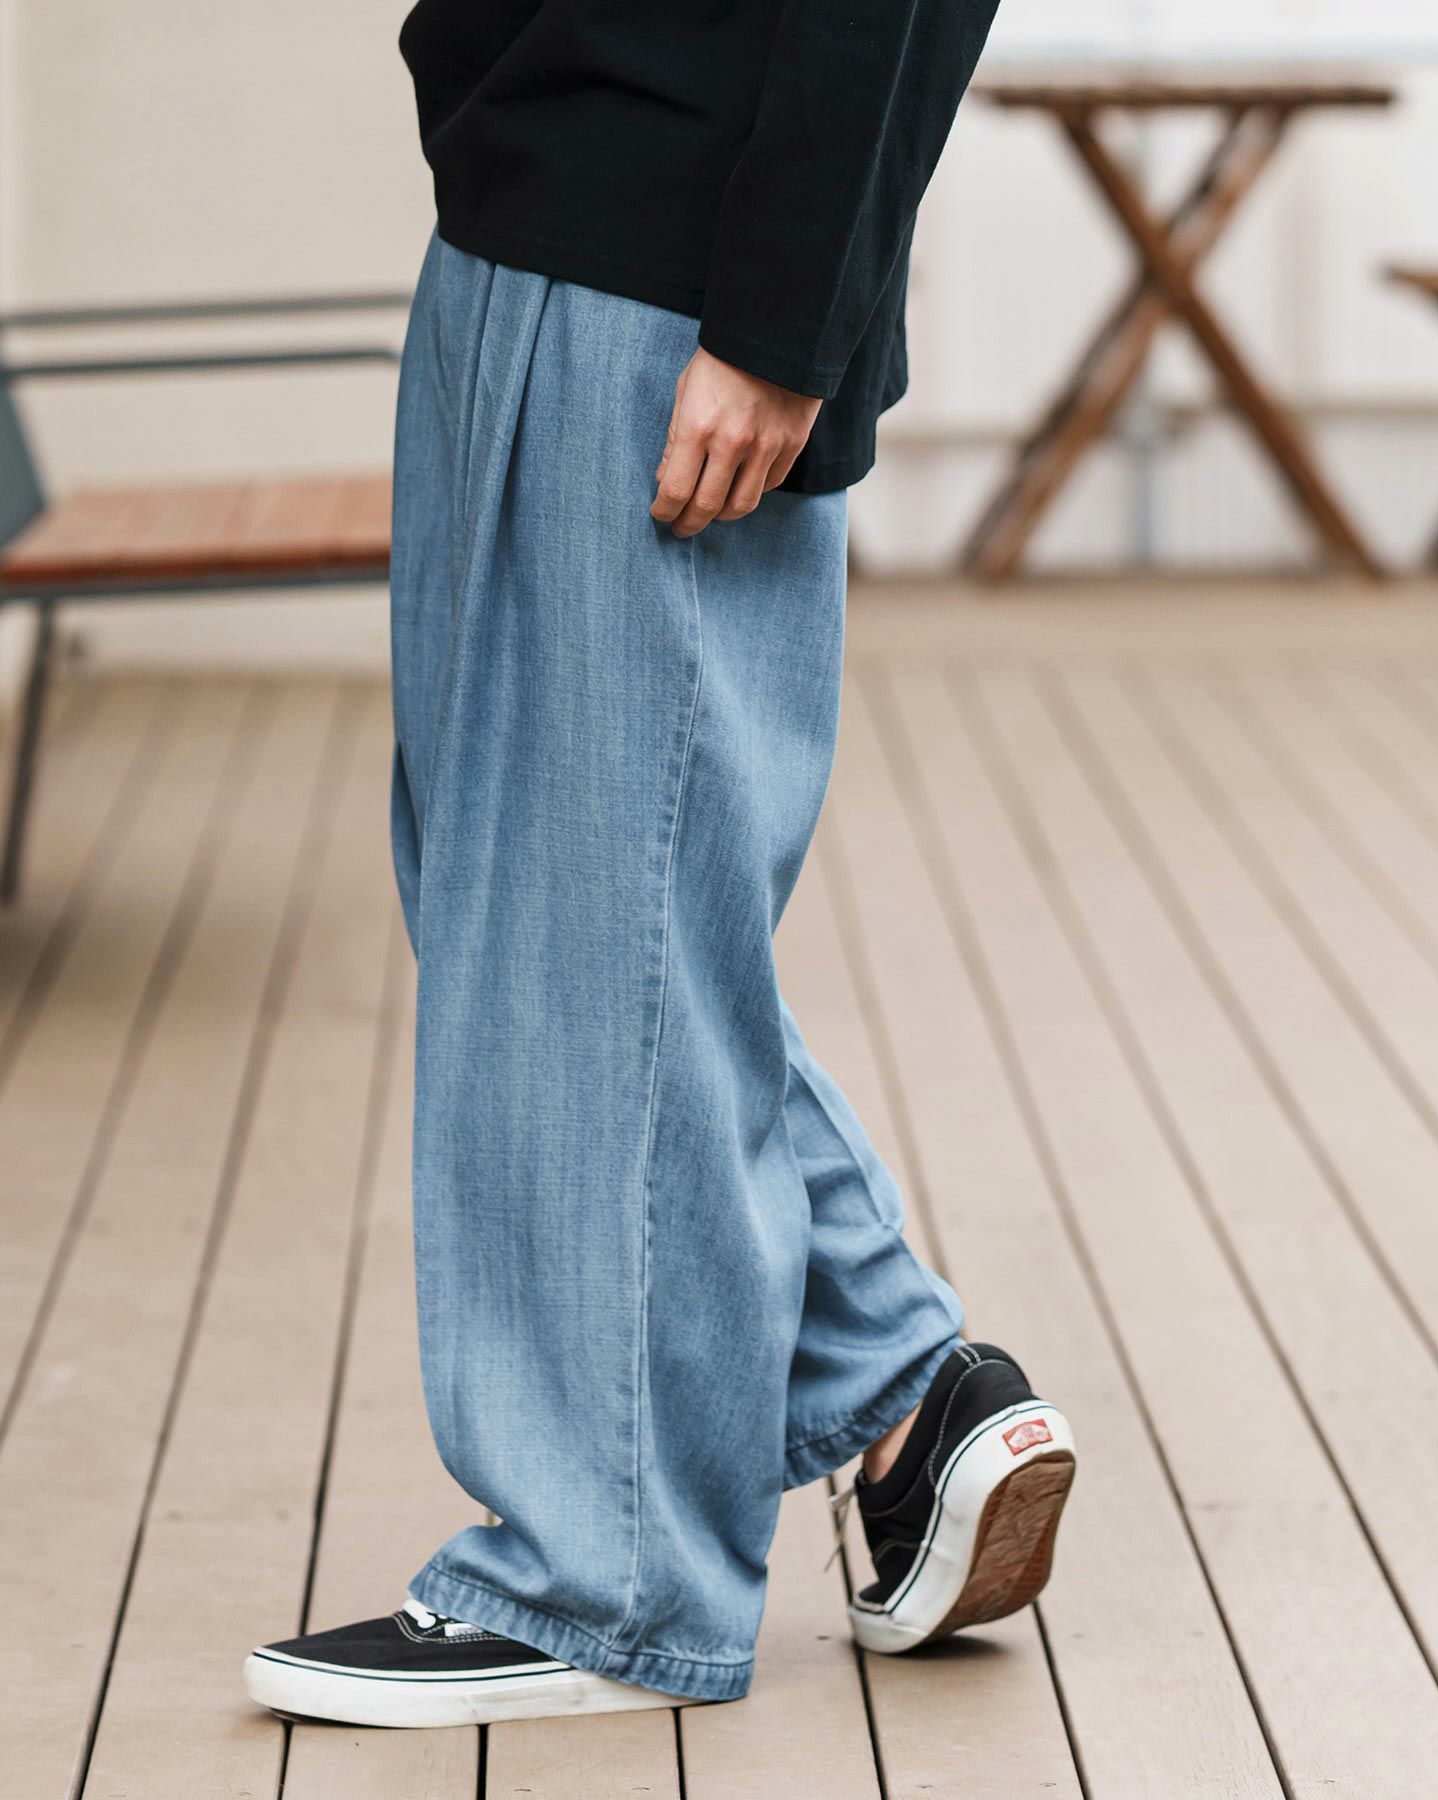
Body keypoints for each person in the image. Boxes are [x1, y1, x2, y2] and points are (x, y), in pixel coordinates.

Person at [243, 0, 1076, 1729]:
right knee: (560, 898)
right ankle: (908, 1392)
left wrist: (780, 321)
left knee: (589, 916)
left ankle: (609, 1573)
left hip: (653, 277)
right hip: (559, 226)